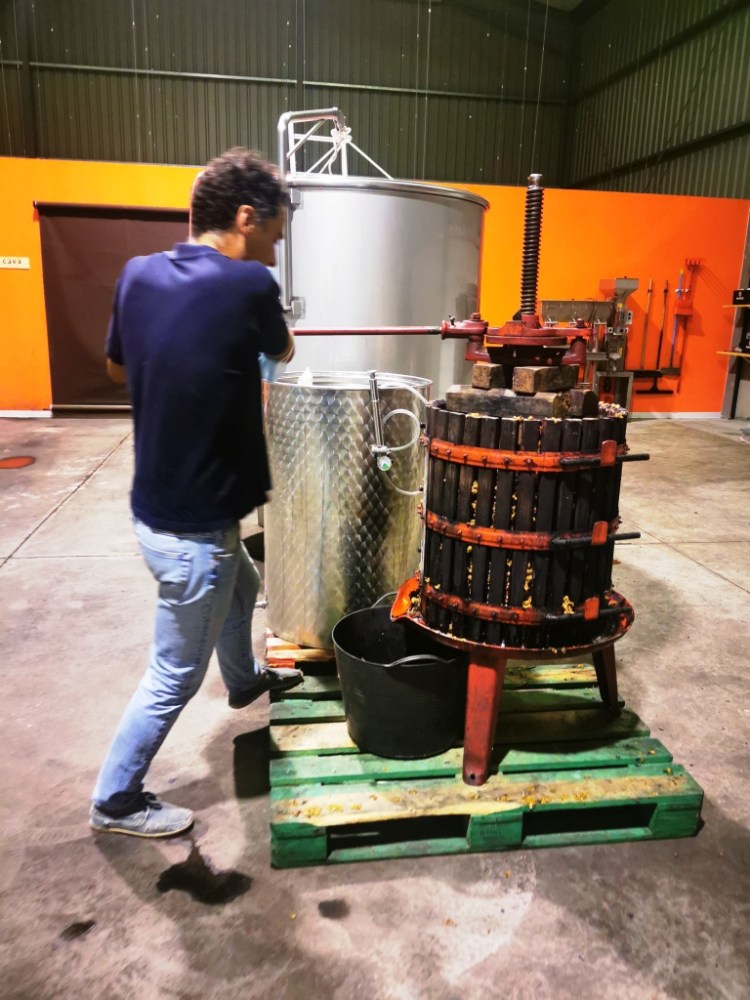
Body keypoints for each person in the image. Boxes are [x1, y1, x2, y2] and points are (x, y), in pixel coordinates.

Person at [90, 148, 302, 839]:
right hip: (195, 533)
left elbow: (117, 368)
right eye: (274, 234)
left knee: (244, 587)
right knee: (173, 674)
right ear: (245, 218)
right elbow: (284, 351)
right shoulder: (248, 285)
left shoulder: (137, 273)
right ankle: (116, 799)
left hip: (158, 506)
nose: (274, 251)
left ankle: (244, 682)